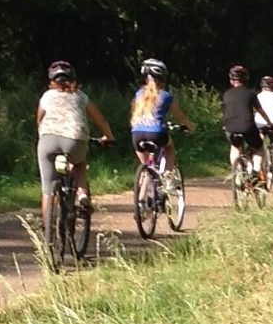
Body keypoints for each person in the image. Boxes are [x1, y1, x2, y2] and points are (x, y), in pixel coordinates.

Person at [36, 61, 114, 223]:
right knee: (79, 164)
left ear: (51, 81)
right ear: (73, 79)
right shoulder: (81, 96)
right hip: (74, 139)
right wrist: (108, 136)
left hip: (47, 140)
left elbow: (39, 119)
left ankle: (47, 230)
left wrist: (42, 135)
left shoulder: (47, 96)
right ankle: (82, 192)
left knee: (47, 190)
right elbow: (100, 120)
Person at [130, 58, 196, 173]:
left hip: (137, 134)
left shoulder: (139, 94)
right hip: (157, 134)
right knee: (169, 148)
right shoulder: (165, 96)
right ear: (162, 78)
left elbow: (134, 115)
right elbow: (181, 117)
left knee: (146, 168)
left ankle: (143, 184)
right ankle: (167, 177)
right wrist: (191, 126)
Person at [222, 65, 273, 185]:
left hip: (230, 127)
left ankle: (237, 174)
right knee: (259, 147)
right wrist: (269, 123)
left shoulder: (226, 94)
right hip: (248, 126)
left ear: (231, 80)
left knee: (235, 147)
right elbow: (260, 110)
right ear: (245, 79)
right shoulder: (251, 94)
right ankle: (255, 170)